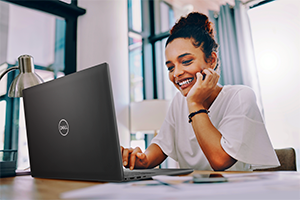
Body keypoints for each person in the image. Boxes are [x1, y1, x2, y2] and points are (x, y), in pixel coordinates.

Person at [121, 12, 280, 171]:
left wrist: (195, 103)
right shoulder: (179, 102)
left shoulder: (240, 96)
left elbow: (220, 160)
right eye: (170, 67)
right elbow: (160, 146)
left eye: (186, 61)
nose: (176, 73)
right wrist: (140, 159)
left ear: (211, 60)